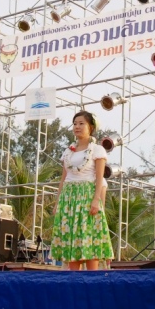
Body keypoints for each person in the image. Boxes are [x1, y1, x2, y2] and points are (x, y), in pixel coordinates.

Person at [51, 110, 113, 270]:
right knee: (71, 239)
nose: (77, 127)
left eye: (81, 123)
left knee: (88, 236)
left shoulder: (97, 150)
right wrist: (57, 203)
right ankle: (74, 280)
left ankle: (92, 279)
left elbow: (99, 178)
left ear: (91, 127)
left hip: (87, 195)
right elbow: (63, 179)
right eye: (75, 124)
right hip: (69, 197)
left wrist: (96, 200)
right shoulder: (68, 151)